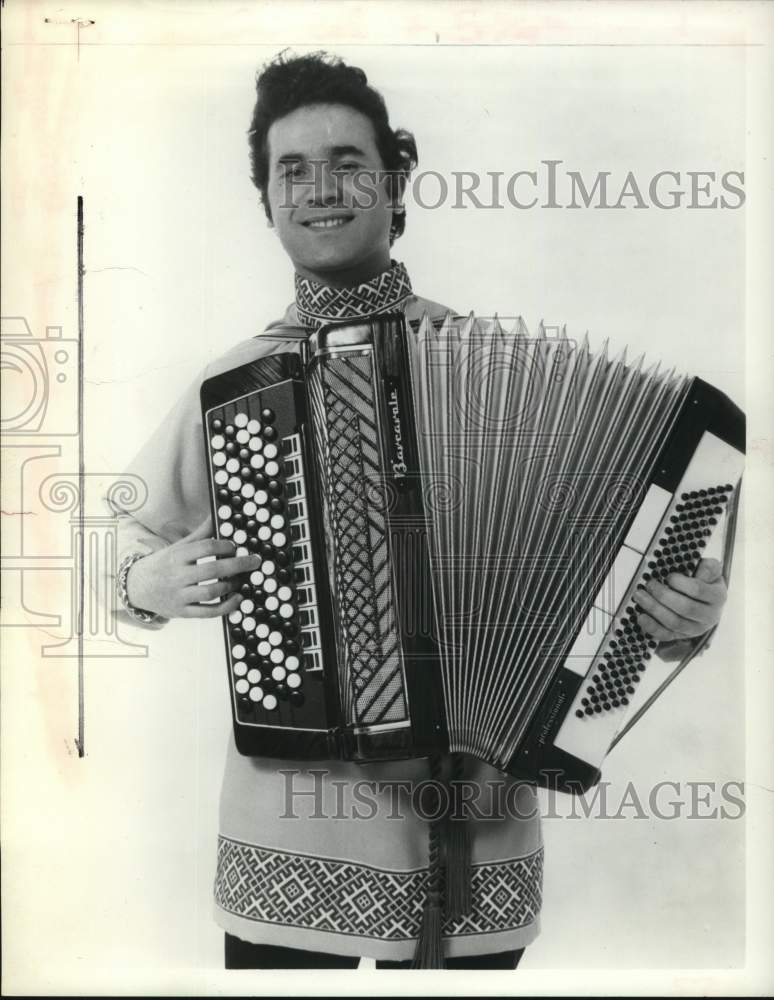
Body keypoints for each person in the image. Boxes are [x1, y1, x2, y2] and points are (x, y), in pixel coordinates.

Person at [107, 51, 730, 970]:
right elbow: (127, 539)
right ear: (264, 201)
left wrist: (689, 614)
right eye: (292, 168)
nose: (322, 187)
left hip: (474, 829)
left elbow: (620, 565)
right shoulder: (233, 384)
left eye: (349, 162)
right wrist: (144, 578)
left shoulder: (501, 371)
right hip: (294, 830)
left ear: (395, 184)